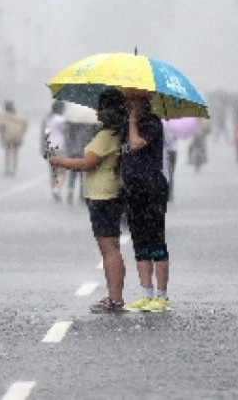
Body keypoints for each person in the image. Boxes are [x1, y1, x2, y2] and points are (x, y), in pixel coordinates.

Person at [48, 89, 128, 313]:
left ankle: (114, 298)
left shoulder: (106, 137)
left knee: (109, 249)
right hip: (110, 193)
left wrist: (59, 161)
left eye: (101, 107)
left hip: (102, 195)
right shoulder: (115, 134)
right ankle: (115, 296)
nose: (97, 111)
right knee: (111, 248)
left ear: (109, 111)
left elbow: (87, 163)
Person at [122, 89, 171, 312]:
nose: (129, 105)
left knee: (156, 240)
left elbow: (136, 144)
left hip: (152, 186)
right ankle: (146, 292)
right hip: (133, 188)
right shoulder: (128, 124)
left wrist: (132, 121)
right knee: (139, 241)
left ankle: (161, 295)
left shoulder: (152, 123)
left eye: (132, 101)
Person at [43, 101, 68, 200]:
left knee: (53, 170)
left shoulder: (48, 119)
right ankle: (57, 188)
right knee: (62, 170)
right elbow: (65, 132)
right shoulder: (62, 120)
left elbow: (46, 133)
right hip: (60, 146)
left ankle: (53, 188)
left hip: (50, 145)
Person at [0, 100, 28, 176]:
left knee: (8, 152)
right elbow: (25, 124)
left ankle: (8, 168)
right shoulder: (19, 115)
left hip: (8, 136)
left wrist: (2, 134)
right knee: (15, 152)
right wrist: (22, 132)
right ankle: (14, 167)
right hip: (17, 136)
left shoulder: (4, 116)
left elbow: (0, 126)